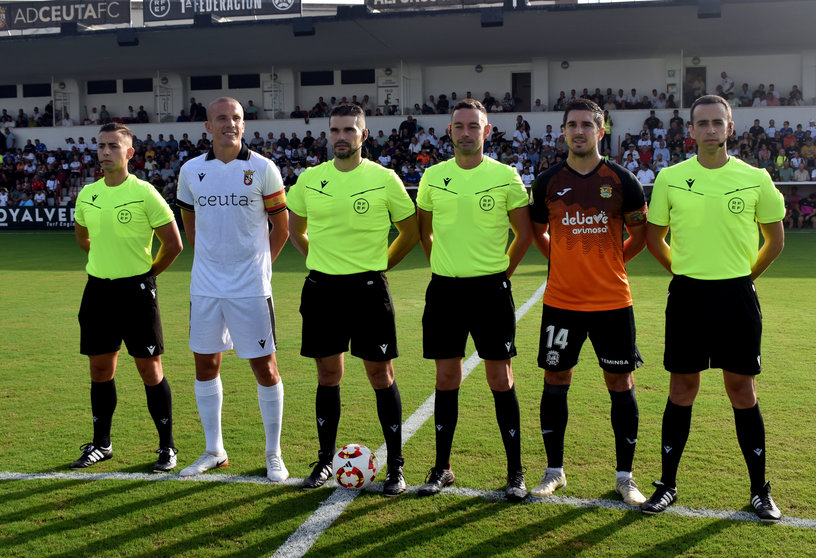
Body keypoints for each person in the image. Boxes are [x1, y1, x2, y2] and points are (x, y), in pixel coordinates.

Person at [642, 95, 785, 522]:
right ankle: (666, 484)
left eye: (716, 123)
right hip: (687, 297)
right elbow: (654, 238)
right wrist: (684, 274)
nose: (709, 130)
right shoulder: (670, 177)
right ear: (690, 131)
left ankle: (760, 490)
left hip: (736, 298)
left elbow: (774, 241)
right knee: (681, 389)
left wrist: (744, 278)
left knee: (742, 390)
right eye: (701, 123)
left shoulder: (755, 177)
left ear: (730, 127)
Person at [287, 103, 419, 496]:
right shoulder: (310, 179)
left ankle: (395, 466)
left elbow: (409, 233)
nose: (341, 137)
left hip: (368, 292)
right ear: (328, 134)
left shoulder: (384, 179)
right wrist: (323, 261)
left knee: (381, 375)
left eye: (349, 130)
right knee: (328, 376)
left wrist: (379, 267)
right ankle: (325, 461)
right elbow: (296, 230)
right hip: (323, 291)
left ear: (364, 135)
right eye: (335, 130)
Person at [528, 99, 648, 505]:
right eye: (571, 125)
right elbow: (538, 232)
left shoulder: (622, 179)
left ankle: (625, 477)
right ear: (563, 131)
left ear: (601, 130)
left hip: (613, 303)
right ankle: (554, 472)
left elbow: (641, 235)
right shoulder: (546, 181)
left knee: (620, 381)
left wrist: (611, 261)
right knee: (556, 379)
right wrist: (562, 263)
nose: (579, 131)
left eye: (587, 125)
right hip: (561, 303)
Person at [415, 99, 532, 502]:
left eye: (473, 126)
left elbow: (525, 235)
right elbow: (425, 233)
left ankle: (515, 472)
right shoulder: (432, 176)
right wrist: (445, 267)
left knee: (500, 378)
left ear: (487, 131)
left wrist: (502, 274)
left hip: (490, 292)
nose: (465, 132)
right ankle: (442, 468)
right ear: (449, 131)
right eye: (458, 126)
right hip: (445, 291)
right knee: (446, 379)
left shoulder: (506, 177)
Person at [176, 97, 290, 482]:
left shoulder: (263, 168)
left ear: (244, 124)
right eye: (222, 118)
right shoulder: (191, 171)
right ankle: (214, 450)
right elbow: (190, 224)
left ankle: (273, 453)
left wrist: (257, 267)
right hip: (206, 287)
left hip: (251, 289)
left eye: (237, 118)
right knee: (205, 364)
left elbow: (282, 229)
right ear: (207, 126)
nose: (230, 124)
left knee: (265, 367)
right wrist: (211, 259)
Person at [71, 122, 183, 472]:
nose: (105, 152)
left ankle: (167, 447)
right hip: (98, 292)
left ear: (129, 153)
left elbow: (173, 244)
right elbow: (83, 238)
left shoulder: (145, 192)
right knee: (100, 369)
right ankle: (101, 444)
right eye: (101, 146)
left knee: (150, 370)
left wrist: (148, 275)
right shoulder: (88, 193)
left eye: (113, 147)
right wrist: (104, 258)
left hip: (136, 292)